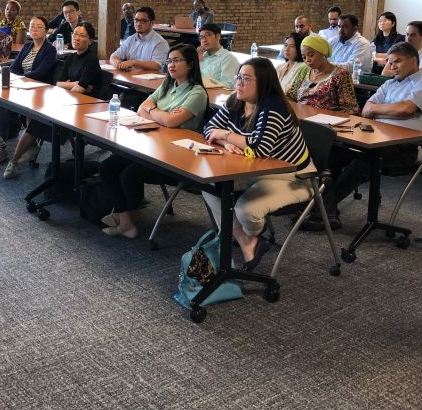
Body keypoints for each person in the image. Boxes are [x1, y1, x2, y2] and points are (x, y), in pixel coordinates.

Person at [303, 42, 422, 230]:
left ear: (414, 61)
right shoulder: (389, 83)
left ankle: (322, 209)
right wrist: (390, 111)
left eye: (397, 61)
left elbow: (407, 109)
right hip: (375, 139)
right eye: (390, 62)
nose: (392, 67)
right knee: (333, 153)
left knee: (362, 164)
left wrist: (380, 111)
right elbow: (366, 110)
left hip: (401, 149)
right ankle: (326, 208)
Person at [203, 58, 315, 271]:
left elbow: (259, 148)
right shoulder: (236, 100)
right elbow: (208, 128)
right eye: (238, 77)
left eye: (246, 79)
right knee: (209, 185)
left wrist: (225, 134)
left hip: (293, 176)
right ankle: (247, 240)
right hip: (253, 169)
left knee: (246, 210)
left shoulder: (273, 106)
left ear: (263, 82)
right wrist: (226, 142)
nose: (239, 83)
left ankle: (246, 237)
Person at [99, 44, 208, 238]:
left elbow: (172, 121)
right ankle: (126, 222)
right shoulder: (167, 85)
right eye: (169, 61)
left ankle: (128, 218)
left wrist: (157, 113)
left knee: (129, 174)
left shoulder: (197, 93)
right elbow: (143, 107)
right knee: (108, 166)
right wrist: (161, 114)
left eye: (176, 60)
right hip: (154, 144)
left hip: (177, 156)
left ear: (190, 64)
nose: (171, 65)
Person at [3, 22, 102, 179]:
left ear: (90, 41)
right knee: (35, 118)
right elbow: (58, 83)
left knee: (38, 121)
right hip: (67, 102)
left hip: (82, 107)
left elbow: (81, 90)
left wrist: (74, 85)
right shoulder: (71, 57)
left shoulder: (91, 59)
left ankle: (15, 160)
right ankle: (16, 159)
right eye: (75, 34)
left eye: (82, 36)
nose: (77, 38)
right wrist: (73, 83)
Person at [0, 15, 57, 165]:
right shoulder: (27, 46)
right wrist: (18, 79)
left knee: (4, 100)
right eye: (32, 26)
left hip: (39, 91)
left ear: (46, 31)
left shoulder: (50, 50)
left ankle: (7, 141)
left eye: (39, 27)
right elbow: (14, 68)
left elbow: (40, 73)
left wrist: (20, 78)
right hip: (22, 87)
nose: (34, 29)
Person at [285, 34, 359, 115]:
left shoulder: (340, 74)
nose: (307, 60)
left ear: (323, 53)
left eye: (311, 55)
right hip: (301, 118)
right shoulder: (304, 71)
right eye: (304, 57)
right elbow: (289, 96)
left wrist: (326, 116)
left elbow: (351, 109)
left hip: (326, 123)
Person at [109, 6, 169, 72]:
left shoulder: (160, 42)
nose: (138, 24)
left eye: (143, 21)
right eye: (136, 20)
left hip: (151, 80)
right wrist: (117, 63)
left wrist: (134, 62)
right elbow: (114, 56)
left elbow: (157, 65)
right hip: (131, 77)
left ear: (152, 23)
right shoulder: (130, 39)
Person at [198, 23, 240, 88]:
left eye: (207, 35)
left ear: (218, 37)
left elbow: (228, 85)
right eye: (201, 37)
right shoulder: (201, 56)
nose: (204, 40)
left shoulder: (228, 58)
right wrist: (196, 60)